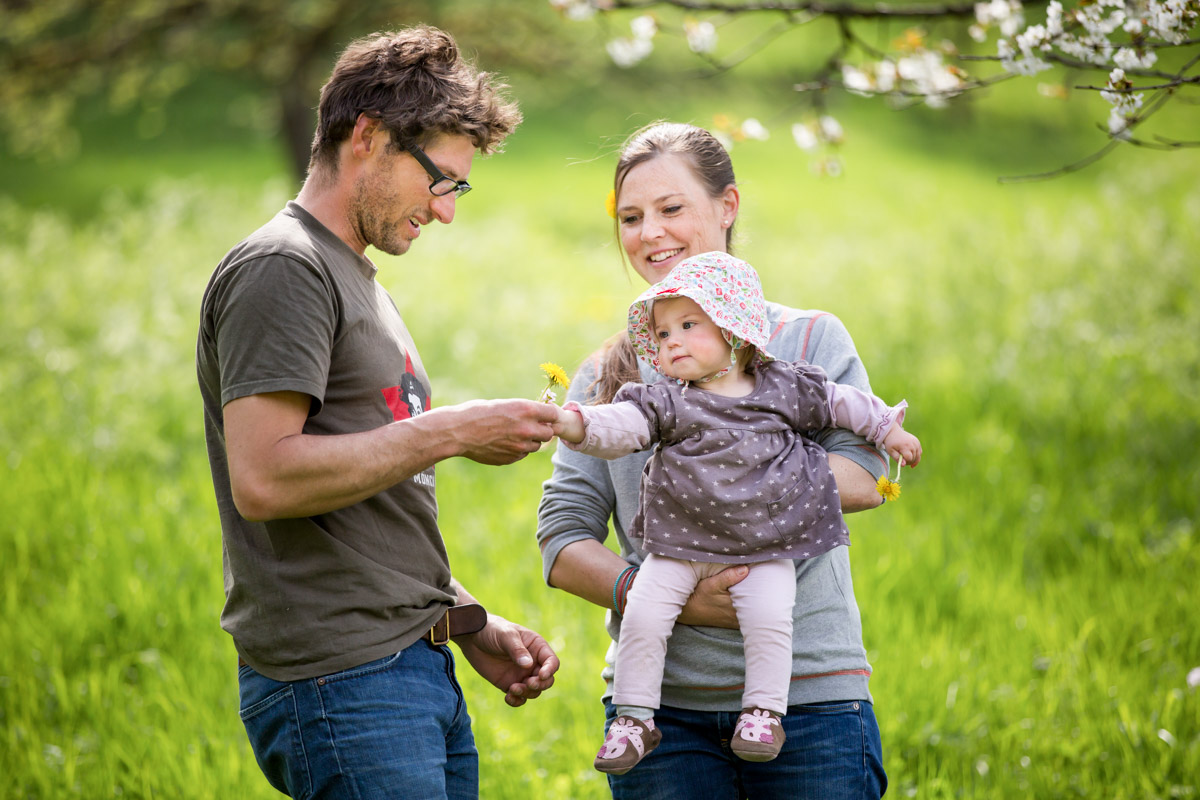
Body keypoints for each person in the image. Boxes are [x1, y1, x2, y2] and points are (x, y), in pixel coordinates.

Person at [196, 27, 561, 800]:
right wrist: (453, 430)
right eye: (440, 180)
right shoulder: (284, 268)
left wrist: (465, 619)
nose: (446, 211)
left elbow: (363, 511)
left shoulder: (355, 277)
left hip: (405, 670)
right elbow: (264, 479)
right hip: (345, 688)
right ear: (367, 137)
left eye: (458, 188)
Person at [536, 122, 893, 798]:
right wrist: (657, 597)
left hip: (812, 698)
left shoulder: (806, 341)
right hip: (661, 714)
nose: (650, 233)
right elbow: (562, 539)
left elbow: (866, 476)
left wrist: (732, 471)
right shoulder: (610, 374)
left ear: (727, 207)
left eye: (671, 208)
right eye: (631, 218)